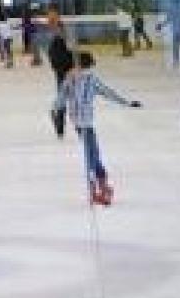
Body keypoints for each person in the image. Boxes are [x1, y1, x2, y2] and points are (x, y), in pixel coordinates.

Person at [53, 51, 141, 207]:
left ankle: (100, 188)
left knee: (92, 154)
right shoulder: (90, 79)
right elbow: (108, 93)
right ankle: (100, 188)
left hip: (78, 123)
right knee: (91, 155)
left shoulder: (70, 78)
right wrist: (126, 103)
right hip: (85, 122)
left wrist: (55, 109)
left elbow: (61, 98)